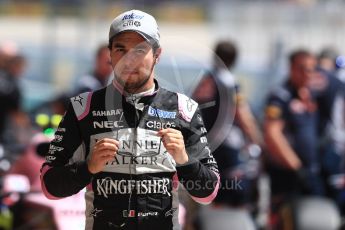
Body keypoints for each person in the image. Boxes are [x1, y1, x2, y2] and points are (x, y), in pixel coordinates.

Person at [40, 9, 219, 230]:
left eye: (140, 50)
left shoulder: (184, 109)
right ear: (110, 55)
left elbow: (209, 192)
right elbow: (49, 186)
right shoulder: (83, 108)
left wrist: (185, 161)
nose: (129, 59)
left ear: (157, 54)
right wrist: (87, 168)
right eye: (121, 49)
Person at [192, 40, 262, 207]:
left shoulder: (205, 81)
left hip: (204, 145)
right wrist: (258, 140)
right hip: (226, 147)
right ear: (234, 60)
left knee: (207, 194)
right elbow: (242, 114)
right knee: (232, 196)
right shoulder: (228, 82)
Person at [264, 50, 324, 216]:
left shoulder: (311, 96)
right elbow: (272, 134)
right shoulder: (281, 96)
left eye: (312, 69)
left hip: (310, 173)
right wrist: (296, 166)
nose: (308, 74)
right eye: (303, 68)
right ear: (292, 69)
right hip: (287, 174)